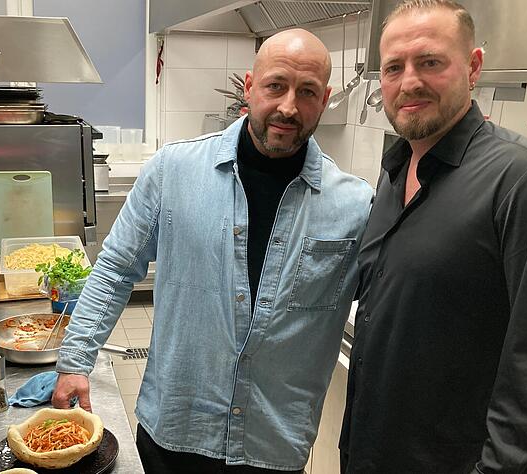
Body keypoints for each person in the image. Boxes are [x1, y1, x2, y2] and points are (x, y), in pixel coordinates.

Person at [52, 28, 373, 473]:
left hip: (273, 446)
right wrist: (75, 360)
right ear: (249, 86)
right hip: (175, 433)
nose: (288, 106)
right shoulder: (173, 171)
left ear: (325, 99)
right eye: (275, 85)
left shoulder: (355, 206)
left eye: (307, 92)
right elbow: (114, 269)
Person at [339, 1, 527, 473]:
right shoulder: (394, 173)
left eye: (430, 62)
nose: (409, 82)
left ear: (473, 68)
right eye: (393, 67)